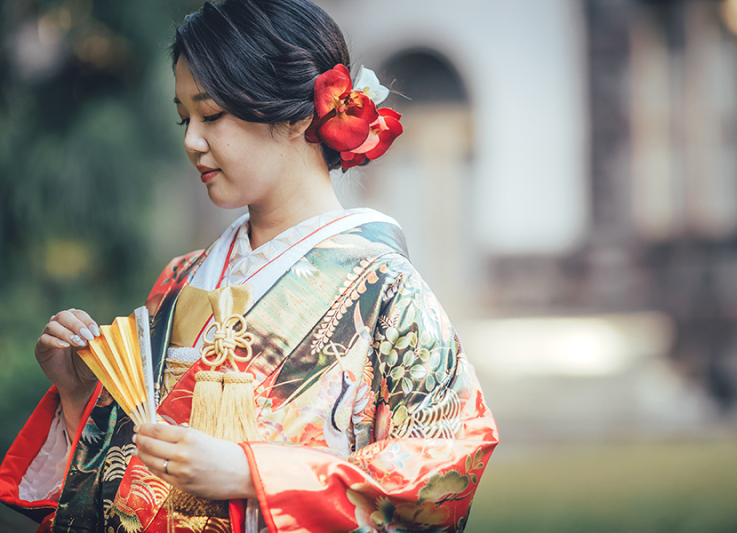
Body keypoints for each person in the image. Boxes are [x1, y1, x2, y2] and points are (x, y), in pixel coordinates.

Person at [0, 1, 498, 532]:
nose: (191, 140)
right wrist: (83, 397)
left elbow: (443, 472)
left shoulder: (389, 290)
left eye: (211, 114)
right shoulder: (180, 280)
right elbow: (133, 485)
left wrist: (251, 472)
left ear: (301, 113)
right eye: (184, 117)